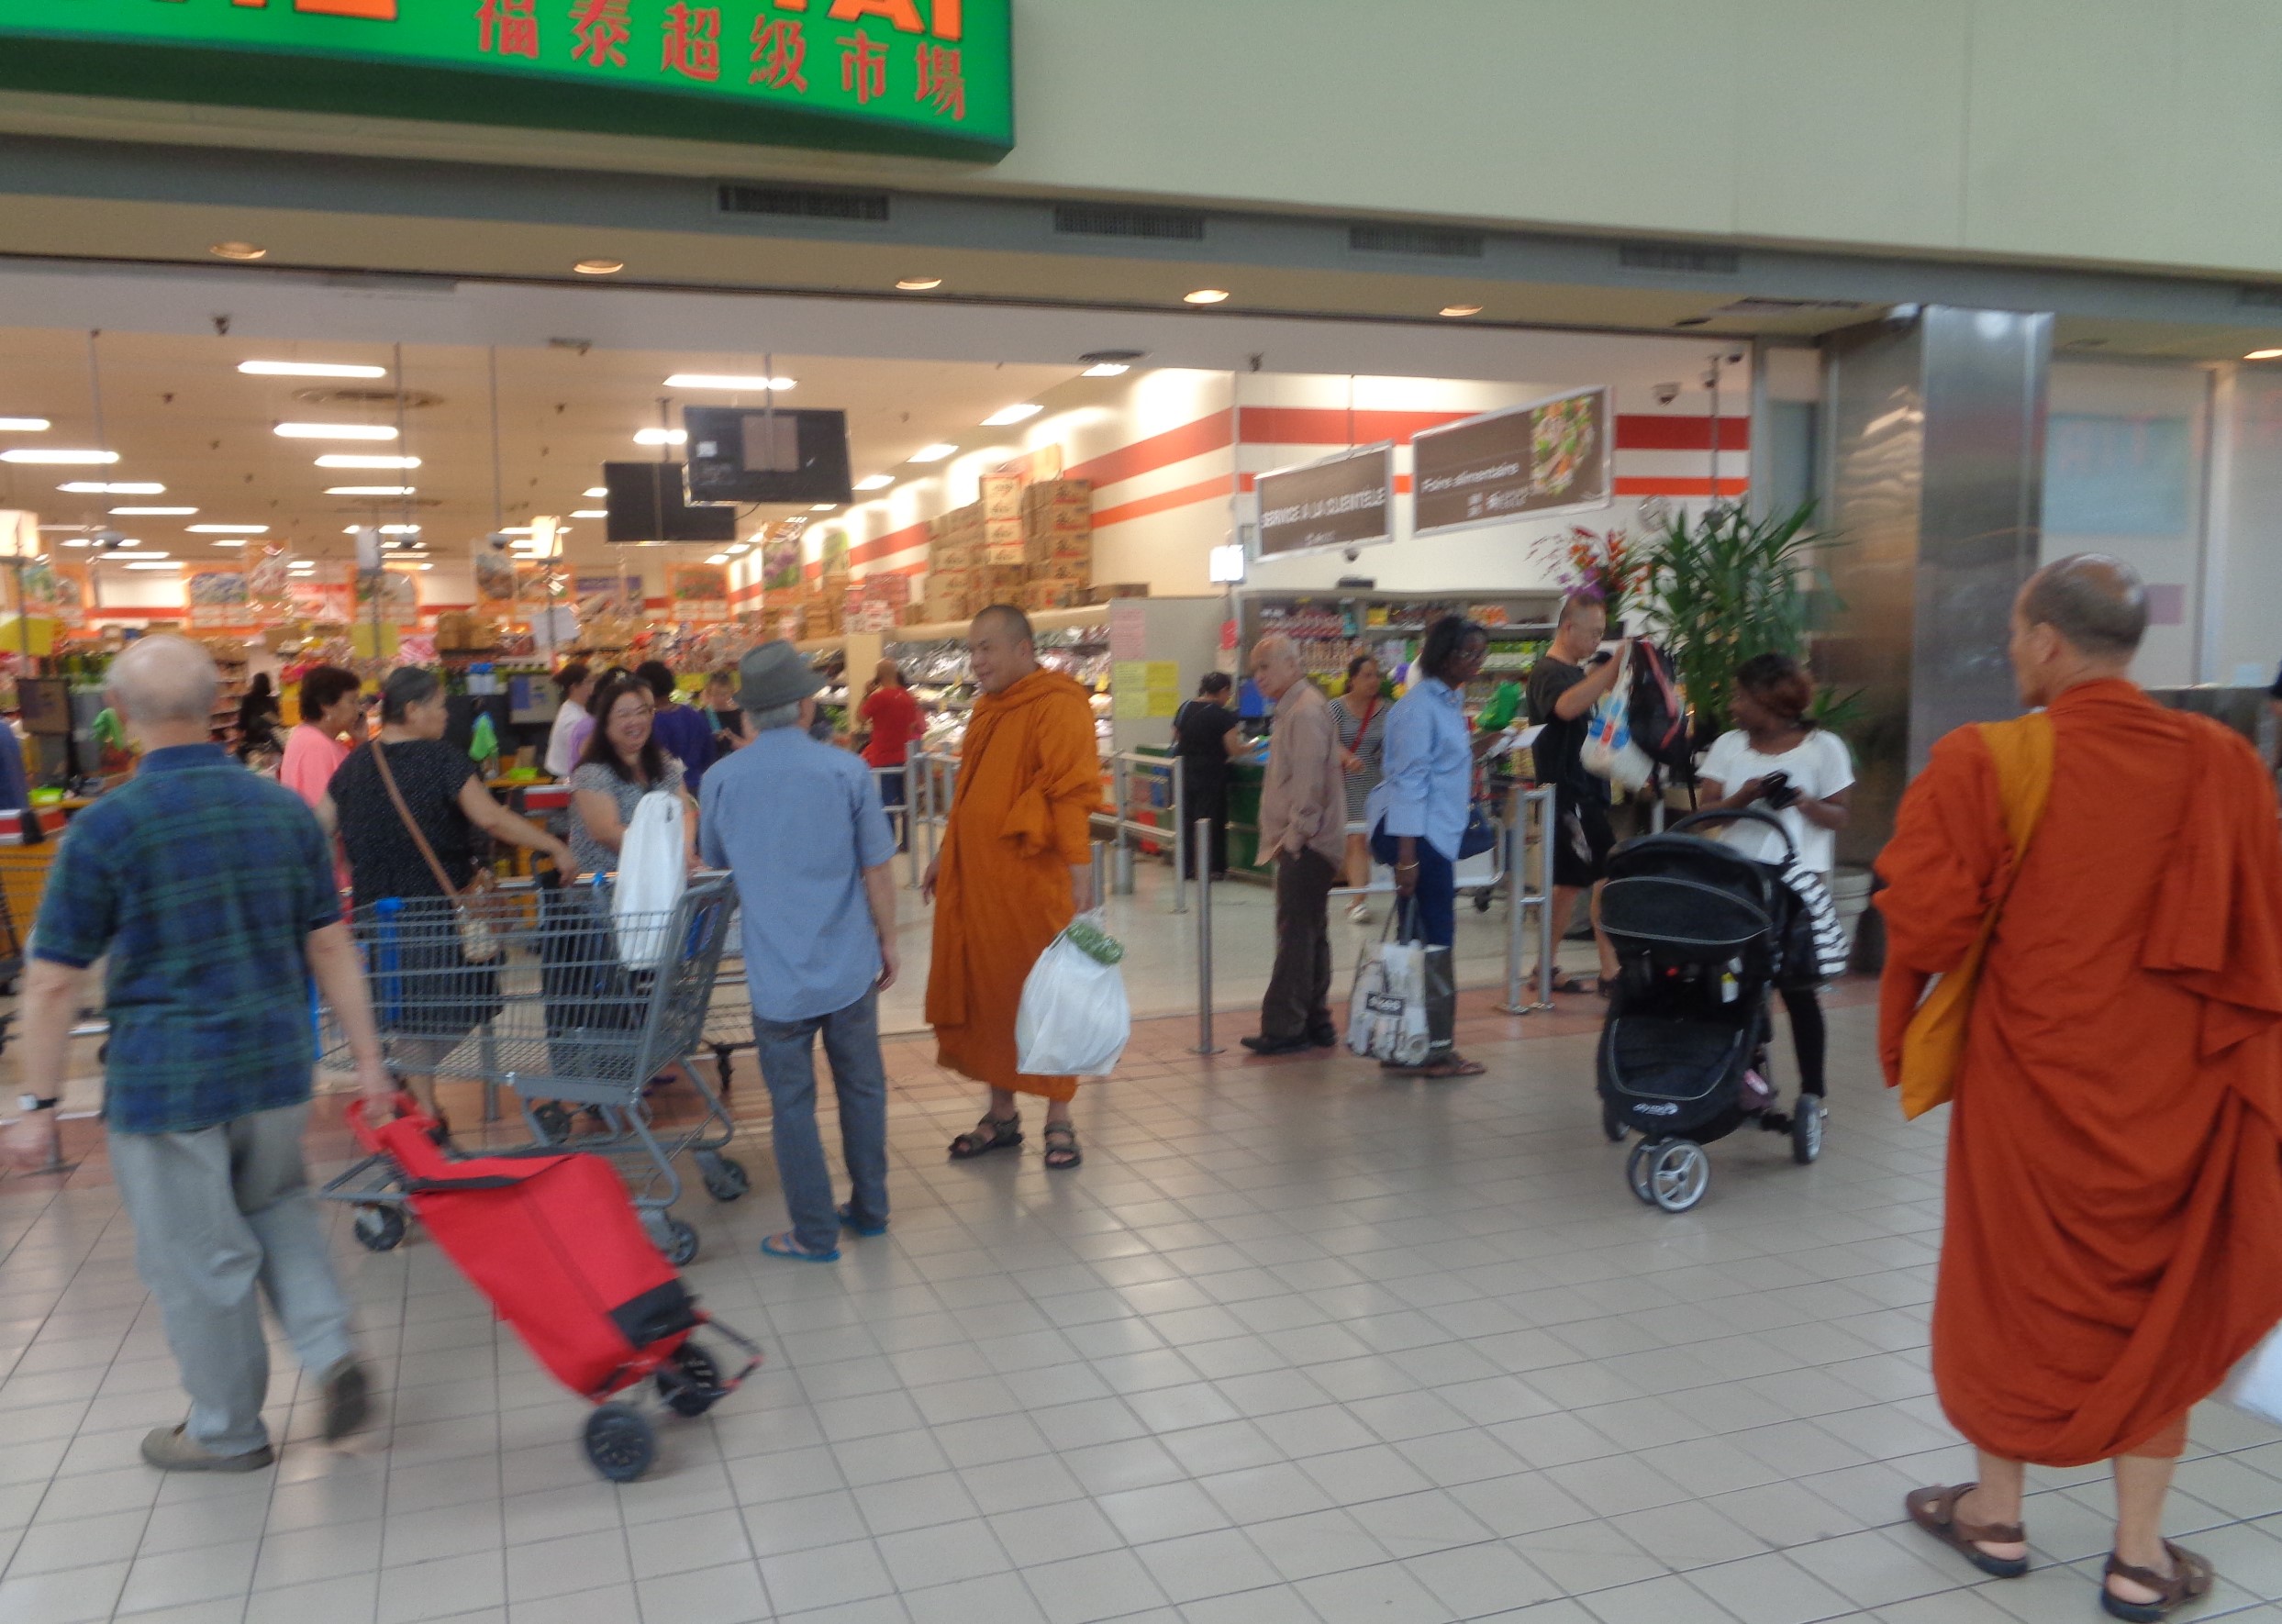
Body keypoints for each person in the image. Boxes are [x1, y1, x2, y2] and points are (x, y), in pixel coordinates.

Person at [1884, 555, 2282, 1619]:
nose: (2012, 650)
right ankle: (2139, 1558)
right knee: (2157, 1305)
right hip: (2176, 1101)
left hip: (2031, 1093)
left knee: (2006, 1289)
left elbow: (1926, 923)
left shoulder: (1989, 760)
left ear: (2048, 642)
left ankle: (1996, 1516)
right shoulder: (2224, 763)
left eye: (2016, 634)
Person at [0, 636, 393, 1471]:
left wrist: (38, 1107)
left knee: (201, 1260)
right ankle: (331, 1351)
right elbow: (330, 944)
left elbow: (52, 982)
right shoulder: (282, 812)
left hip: (167, 1082)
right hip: (276, 1065)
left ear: (118, 715)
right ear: (215, 704)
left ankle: (226, 1432)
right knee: (279, 1208)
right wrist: (368, 1062)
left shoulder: (105, 828)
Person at [700, 642, 897, 1263]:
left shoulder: (720, 780)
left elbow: (716, 861)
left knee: (792, 1106)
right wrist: (888, 941)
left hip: (776, 975)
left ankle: (813, 1234)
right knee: (862, 1088)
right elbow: (877, 867)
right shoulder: (847, 771)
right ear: (807, 706)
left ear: (747, 713)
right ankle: (871, 1209)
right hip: (848, 965)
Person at [325, 667, 572, 1118]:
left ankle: (415, 1097)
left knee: (412, 1015)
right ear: (412, 710)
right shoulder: (441, 759)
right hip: (436, 913)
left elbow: (319, 826)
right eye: (439, 705)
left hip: (377, 917)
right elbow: (491, 818)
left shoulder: (355, 764)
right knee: (456, 1004)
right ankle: (426, 1114)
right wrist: (553, 845)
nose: (446, 715)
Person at [924, 605, 1099, 1171]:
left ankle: (1059, 1118)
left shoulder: (1058, 704)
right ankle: (1001, 1115)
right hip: (979, 885)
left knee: (1046, 997)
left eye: (987, 648)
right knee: (992, 1000)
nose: (976, 661)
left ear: (1024, 649)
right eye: (971, 649)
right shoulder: (987, 709)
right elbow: (968, 792)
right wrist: (945, 853)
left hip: (1032, 887)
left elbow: (1069, 795)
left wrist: (1080, 874)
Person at [1697, 652, 1853, 1113]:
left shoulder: (1824, 748)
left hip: (1797, 887)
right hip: (1738, 882)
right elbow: (1706, 814)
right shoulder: (1728, 745)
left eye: (1741, 696)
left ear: (1770, 699)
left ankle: (1814, 1094)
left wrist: (1803, 803)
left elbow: (1840, 816)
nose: (1733, 706)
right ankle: (1751, 1081)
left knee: (1798, 990)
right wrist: (1744, 798)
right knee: (1739, 985)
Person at [1367, 615, 1489, 1079]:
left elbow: (1440, 764)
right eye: (1467, 653)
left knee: (1417, 939)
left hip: (1436, 834)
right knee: (1435, 942)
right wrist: (1407, 859)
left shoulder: (1448, 701)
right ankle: (1435, 1051)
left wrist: (1483, 747)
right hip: (1421, 839)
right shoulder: (1418, 708)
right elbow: (1408, 783)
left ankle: (1404, 1041)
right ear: (1442, 655)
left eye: (1481, 653)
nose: (1476, 661)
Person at [1240, 636, 1345, 1056]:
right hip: (1308, 842)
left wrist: (1296, 839)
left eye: (1266, 666)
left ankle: (1285, 1027)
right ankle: (1316, 1020)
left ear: (1291, 664)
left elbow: (1309, 785)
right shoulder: (1295, 709)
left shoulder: (1303, 712)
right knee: (1311, 932)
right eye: (1255, 669)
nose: (1259, 677)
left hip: (1307, 843)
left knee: (1296, 935)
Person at [1526, 594, 1627, 994]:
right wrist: (1612, 668)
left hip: (1583, 792)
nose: (1597, 641)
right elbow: (1565, 708)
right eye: (1594, 633)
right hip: (1569, 797)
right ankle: (1607, 970)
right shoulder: (1549, 672)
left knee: (1577, 883)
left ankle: (1551, 968)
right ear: (1568, 628)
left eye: (1602, 634)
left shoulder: (1573, 672)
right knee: (1597, 878)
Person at [569, 672, 698, 879]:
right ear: (605, 722)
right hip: (609, 886)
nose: (635, 721)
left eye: (641, 712)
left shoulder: (664, 763)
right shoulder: (591, 772)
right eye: (624, 715)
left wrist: (685, 849)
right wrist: (667, 855)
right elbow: (606, 832)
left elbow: (685, 812)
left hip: (664, 879)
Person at [1326, 653, 1389, 922]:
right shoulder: (1335, 708)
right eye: (1367, 675)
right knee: (1356, 839)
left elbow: (1394, 744)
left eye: (1376, 675)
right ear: (1352, 679)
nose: (1373, 681)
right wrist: (1347, 757)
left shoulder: (1387, 710)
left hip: (1377, 783)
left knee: (1368, 840)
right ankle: (1358, 900)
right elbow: (1328, 740)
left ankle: (1360, 896)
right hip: (1345, 782)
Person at [1170, 672, 1242, 881]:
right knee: (1209, 820)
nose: (1228, 697)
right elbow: (1233, 749)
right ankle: (1210, 867)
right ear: (1223, 690)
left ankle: (1187, 866)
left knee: (1187, 820)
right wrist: (1253, 746)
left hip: (1185, 772)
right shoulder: (1222, 715)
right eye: (1228, 692)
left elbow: (1176, 736)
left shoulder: (1185, 707)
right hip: (1210, 774)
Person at [859, 659, 924, 851]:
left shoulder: (877, 698)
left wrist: (866, 694)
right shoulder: (908, 698)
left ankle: (889, 841)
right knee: (906, 802)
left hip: (882, 757)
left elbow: (859, 718)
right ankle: (907, 842)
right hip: (905, 756)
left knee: (886, 804)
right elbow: (912, 726)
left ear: (878, 676)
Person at [280, 664, 362, 811]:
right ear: (327, 706)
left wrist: (361, 742)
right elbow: (325, 813)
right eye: (352, 701)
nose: (359, 709)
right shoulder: (316, 747)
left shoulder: (313, 738)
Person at [635, 659, 717, 799]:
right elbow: (710, 753)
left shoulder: (650, 723)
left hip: (667, 792)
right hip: (700, 786)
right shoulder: (693, 714)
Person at [543, 660, 595, 779]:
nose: (592, 687)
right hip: (566, 778)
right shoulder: (572, 718)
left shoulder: (575, 709)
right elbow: (582, 754)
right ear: (574, 687)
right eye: (588, 682)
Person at [234, 671, 284, 763]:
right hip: (270, 744)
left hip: (252, 743)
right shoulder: (271, 701)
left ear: (254, 683)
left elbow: (242, 723)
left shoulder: (248, 699)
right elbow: (277, 722)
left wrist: (238, 743)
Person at [706, 669, 752, 756]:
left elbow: (752, 747)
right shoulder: (703, 715)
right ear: (709, 693)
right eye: (715, 694)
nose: (720, 698)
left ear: (732, 692)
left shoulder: (742, 714)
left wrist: (733, 739)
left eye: (724, 694)